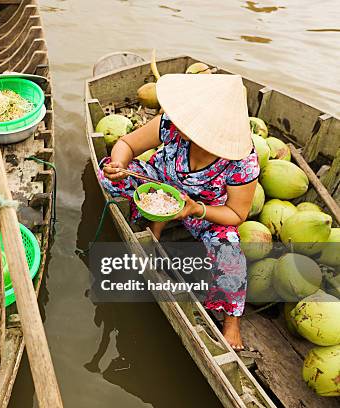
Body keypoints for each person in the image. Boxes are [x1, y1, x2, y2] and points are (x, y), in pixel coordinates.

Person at [99, 74, 259, 350]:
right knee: (107, 177)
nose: (179, 122)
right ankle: (154, 229)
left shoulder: (242, 162)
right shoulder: (170, 125)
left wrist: (197, 210)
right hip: (158, 184)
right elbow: (128, 144)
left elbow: (236, 214)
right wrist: (117, 163)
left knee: (230, 253)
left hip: (202, 208)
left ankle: (231, 321)